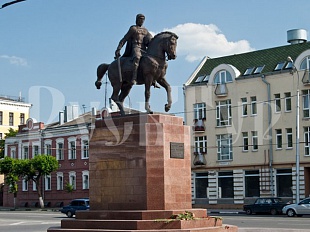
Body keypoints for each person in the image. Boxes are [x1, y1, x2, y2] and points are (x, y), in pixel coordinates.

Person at [115, 14, 153, 85]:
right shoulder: (133, 29)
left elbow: (150, 40)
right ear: (137, 20)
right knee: (137, 57)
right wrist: (118, 49)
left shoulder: (145, 30)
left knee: (151, 60)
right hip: (135, 47)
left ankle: (152, 79)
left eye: (143, 19)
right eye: (140, 19)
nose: (141, 21)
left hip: (143, 49)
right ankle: (134, 77)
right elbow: (124, 39)